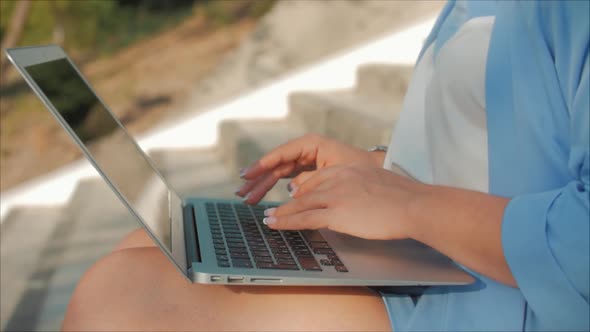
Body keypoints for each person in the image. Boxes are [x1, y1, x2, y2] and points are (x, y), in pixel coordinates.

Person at [62, 1, 589, 331]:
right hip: (438, 260)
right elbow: (503, 150)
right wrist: (380, 168)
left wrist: (409, 204)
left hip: (499, 300)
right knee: (147, 243)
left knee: (118, 296)